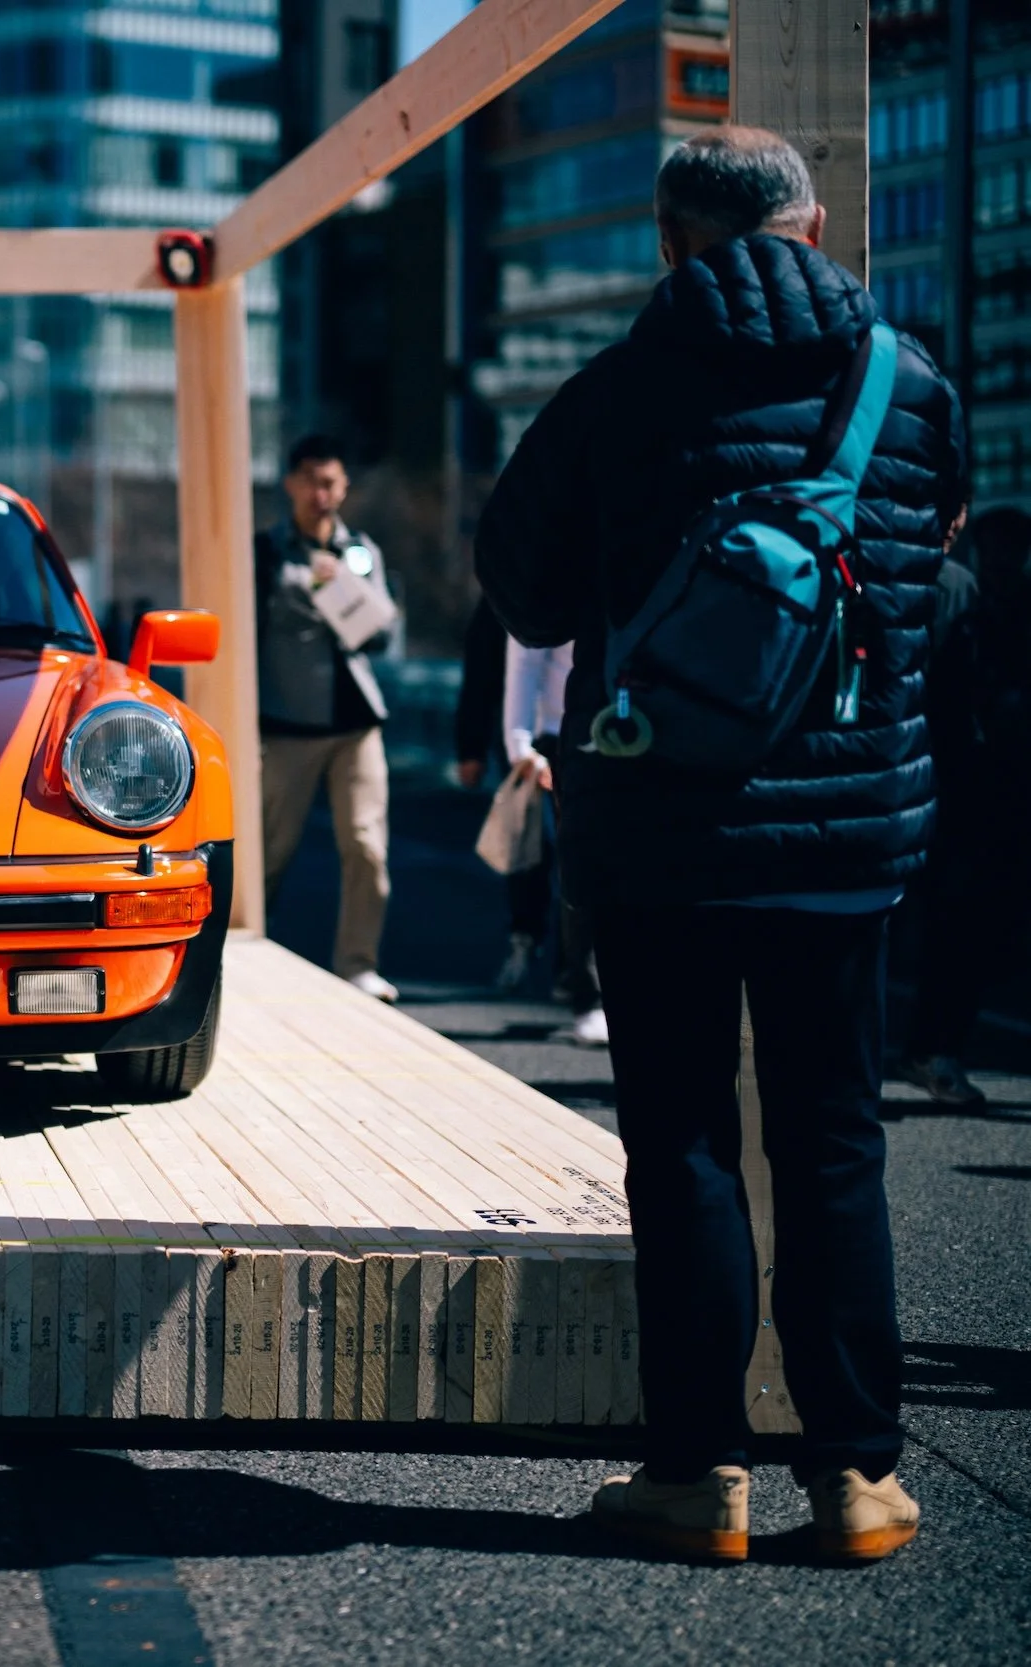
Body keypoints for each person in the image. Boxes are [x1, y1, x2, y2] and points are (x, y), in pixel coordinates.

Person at [477, 128, 963, 1563]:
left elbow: (530, 593)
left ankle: (698, 1476)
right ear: (813, 227)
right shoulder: (909, 383)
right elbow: (934, 570)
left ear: (668, 241)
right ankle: (860, 1475)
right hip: (846, 828)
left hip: (661, 830)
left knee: (682, 1144)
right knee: (832, 1142)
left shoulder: (615, 393)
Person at [895, 506, 1031, 1103]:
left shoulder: (989, 604)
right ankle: (932, 1044)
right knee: (957, 919)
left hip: (987, 779)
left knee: (969, 921)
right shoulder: (967, 603)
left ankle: (936, 1043)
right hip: (963, 778)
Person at [256, 433, 399, 1001]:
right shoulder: (265, 553)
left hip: (355, 722)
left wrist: (342, 586)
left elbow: (383, 634)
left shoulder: (359, 551)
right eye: (313, 481)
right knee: (269, 851)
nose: (323, 494)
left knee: (367, 844)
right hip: (286, 723)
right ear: (291, 483)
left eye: (333, 483)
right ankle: (243, 955)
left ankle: (358, 963)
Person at [502, 639, 606, 1045]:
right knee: (580, 863)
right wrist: (519, 743)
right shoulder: (569, 577)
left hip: (643, 729)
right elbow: (525, 656)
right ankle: (589, 995)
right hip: (564, 736)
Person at [455, 603, 554, 990]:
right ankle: (525, 936)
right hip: (521, 737)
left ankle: (575, 971)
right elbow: (480, 674)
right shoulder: (507, 590)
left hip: (577, 730)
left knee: (575, 850)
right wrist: (470, 747)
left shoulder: (593, 574)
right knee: (531, 843)